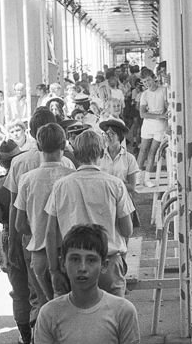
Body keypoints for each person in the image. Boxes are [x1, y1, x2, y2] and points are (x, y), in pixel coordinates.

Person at [45, 128, 134, 298]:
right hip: (108, 262)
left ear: (76, 154)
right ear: (101, 152)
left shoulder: (60, 186)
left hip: (74, 262)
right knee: (113, 317)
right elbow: (127, 230)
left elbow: (50, 232)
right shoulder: (115, 184)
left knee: (75, 318)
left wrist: (54, 269)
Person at [14, 122, 73, 313]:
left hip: (39, 252)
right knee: (74, 310)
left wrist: (38, 228)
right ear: (64, 145)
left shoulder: (27, 179)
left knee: (46, 308)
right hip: (69, 252)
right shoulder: (72, 176)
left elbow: (20, 224)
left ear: (38, 146)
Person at [0, 139, 31, 344]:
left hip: (8, 236)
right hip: (31, 234)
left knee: (19, 290)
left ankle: (24, 334)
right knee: (38, 288)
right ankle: (38, 332)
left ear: (2, 164)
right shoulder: (31, 179)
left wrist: (0, 254)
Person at [136, 70, 168, 186]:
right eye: (144, 82)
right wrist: (159, 115)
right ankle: (138, 178)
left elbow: (166, 105)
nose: (147, 83)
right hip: (148, 125)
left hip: (160, 126)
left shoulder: (163, 90)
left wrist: (166, 113)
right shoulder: (144, 95)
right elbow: (142, 114)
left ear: (154, 78)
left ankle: (147, 178)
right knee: (143, 150)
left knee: (152, 152)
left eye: (149, 80)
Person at [98, 116, 139, 194]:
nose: (107, 137)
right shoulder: (99, 156)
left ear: (119, 136)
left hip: (122, 197)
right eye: (105, 134)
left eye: (111, 134)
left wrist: (112, 184)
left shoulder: (129, 158)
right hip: (103, 196)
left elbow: (132, 187)